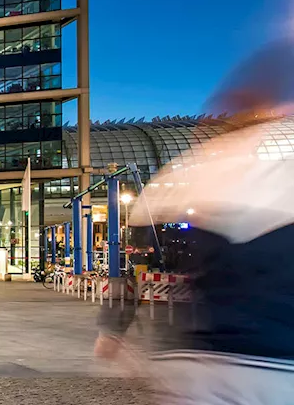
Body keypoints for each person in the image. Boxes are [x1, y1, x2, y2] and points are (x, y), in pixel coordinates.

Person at [94, 43, 294, 404]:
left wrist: (112, 330)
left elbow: (133, 270)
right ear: (275, 114)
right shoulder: (285, 176)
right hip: (281, 365)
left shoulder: (183, 177)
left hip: (196, 366)